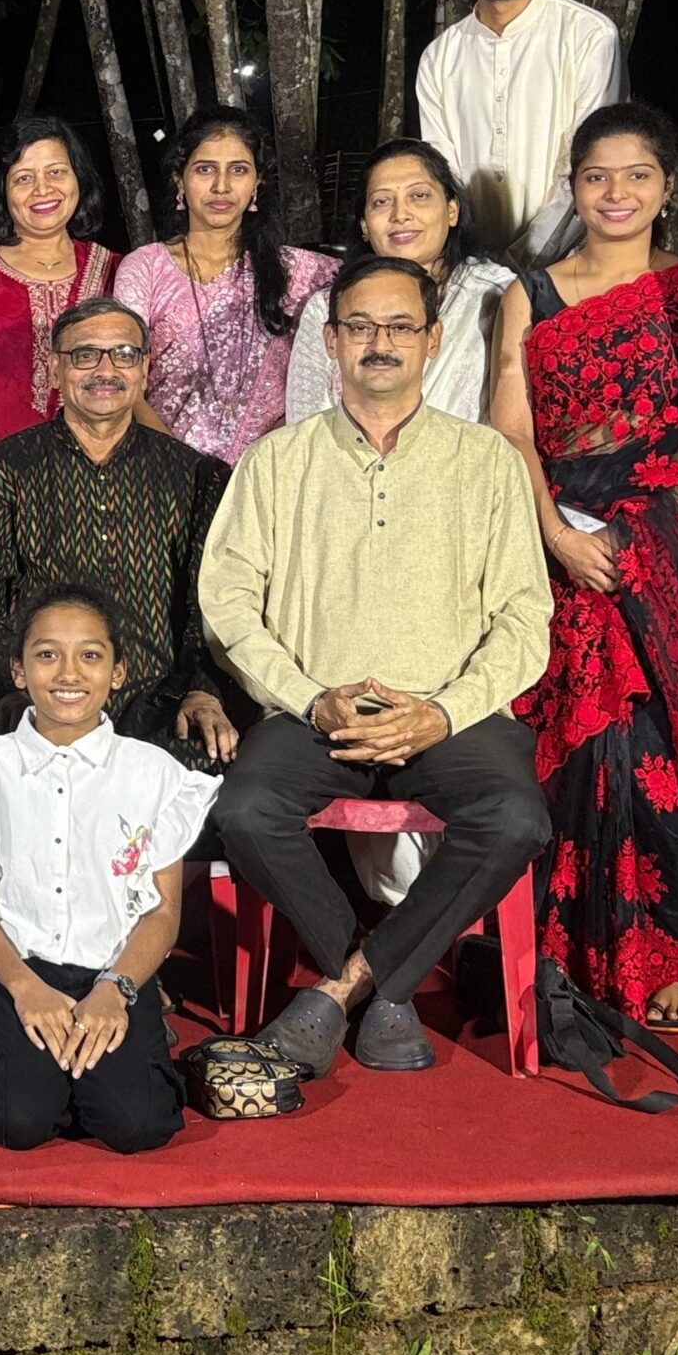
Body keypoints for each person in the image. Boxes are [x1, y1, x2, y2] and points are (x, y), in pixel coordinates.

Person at [200, 256, 553, 1075]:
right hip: (316, 711)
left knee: (515, 819)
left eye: (400, 326)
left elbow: (524, 618)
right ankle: (382, 980)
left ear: (434, 340)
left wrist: (443, 711)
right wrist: (308, 698)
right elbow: (227, 603)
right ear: (331, 341)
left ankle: (344, 986)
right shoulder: (278, 461)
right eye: (360, 326)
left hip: (449, 713)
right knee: (246, 812)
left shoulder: (486, 461)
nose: (380, 343)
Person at [488, 103, 678, 1028]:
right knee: (586, 742)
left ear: (667, 186)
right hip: (565, 549)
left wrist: (647, 525)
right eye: (597, 176)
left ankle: (672, 949)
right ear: (573, 186)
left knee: (666, 747)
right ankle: (570, 949)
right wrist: (559, 536)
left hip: (669, 555)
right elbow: (510, 430)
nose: (616, 193)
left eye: (637, 175)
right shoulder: (530, 293)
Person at [0, 586, 213, 1154]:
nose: (69, 673)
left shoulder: (154, 774)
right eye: (48, 654)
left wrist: (116, 990)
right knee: (16, 1122)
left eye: (91, 655)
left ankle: (90, 1059)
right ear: (19, 669)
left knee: (138, 1126)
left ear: (118, 671)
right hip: (19, 969)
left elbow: (163, 912)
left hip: (116, 973)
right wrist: (24, 989)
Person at [0, 299, 232, 757]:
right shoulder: (4, 471)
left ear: (144, 369)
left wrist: (202, 690)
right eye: (85, 355)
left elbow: (208, 608)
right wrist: (27, 687)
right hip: (40, 699)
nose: (106, 370)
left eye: (124, 354)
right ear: (54, 368)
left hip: (158, 705)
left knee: (204, 755)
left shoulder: (194, 475)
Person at [415, 0, 627, 259]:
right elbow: (445, 179)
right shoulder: (438, 59)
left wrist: (521, 265)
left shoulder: (589, 36)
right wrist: (478, 270)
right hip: (474, 267)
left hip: (576, 266)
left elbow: (590, 165)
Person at [113, 106, 336, 466]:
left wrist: (258, 465)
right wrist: (181, 470)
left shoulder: (305, 275)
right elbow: (124, 378)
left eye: (238, 170)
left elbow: (330, 376)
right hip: (163, 471)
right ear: (179, 179)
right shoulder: (145, 268)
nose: (222, 186)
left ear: (257, 182)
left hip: (271, 469)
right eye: (205, 169)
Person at [0, 116, 119, 496]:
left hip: (97, 482)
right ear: (3, 189)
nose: (42, 189)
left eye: (56, 172)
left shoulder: (114, 271)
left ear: (79, 178)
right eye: (24, 178)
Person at [286, 138, 510, 425]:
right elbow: (305, 427)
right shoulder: (326, 308)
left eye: (419, 196)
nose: (400, 215)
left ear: (452, 210)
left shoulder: (496, 295)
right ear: (364, 225)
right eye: (382, 201)